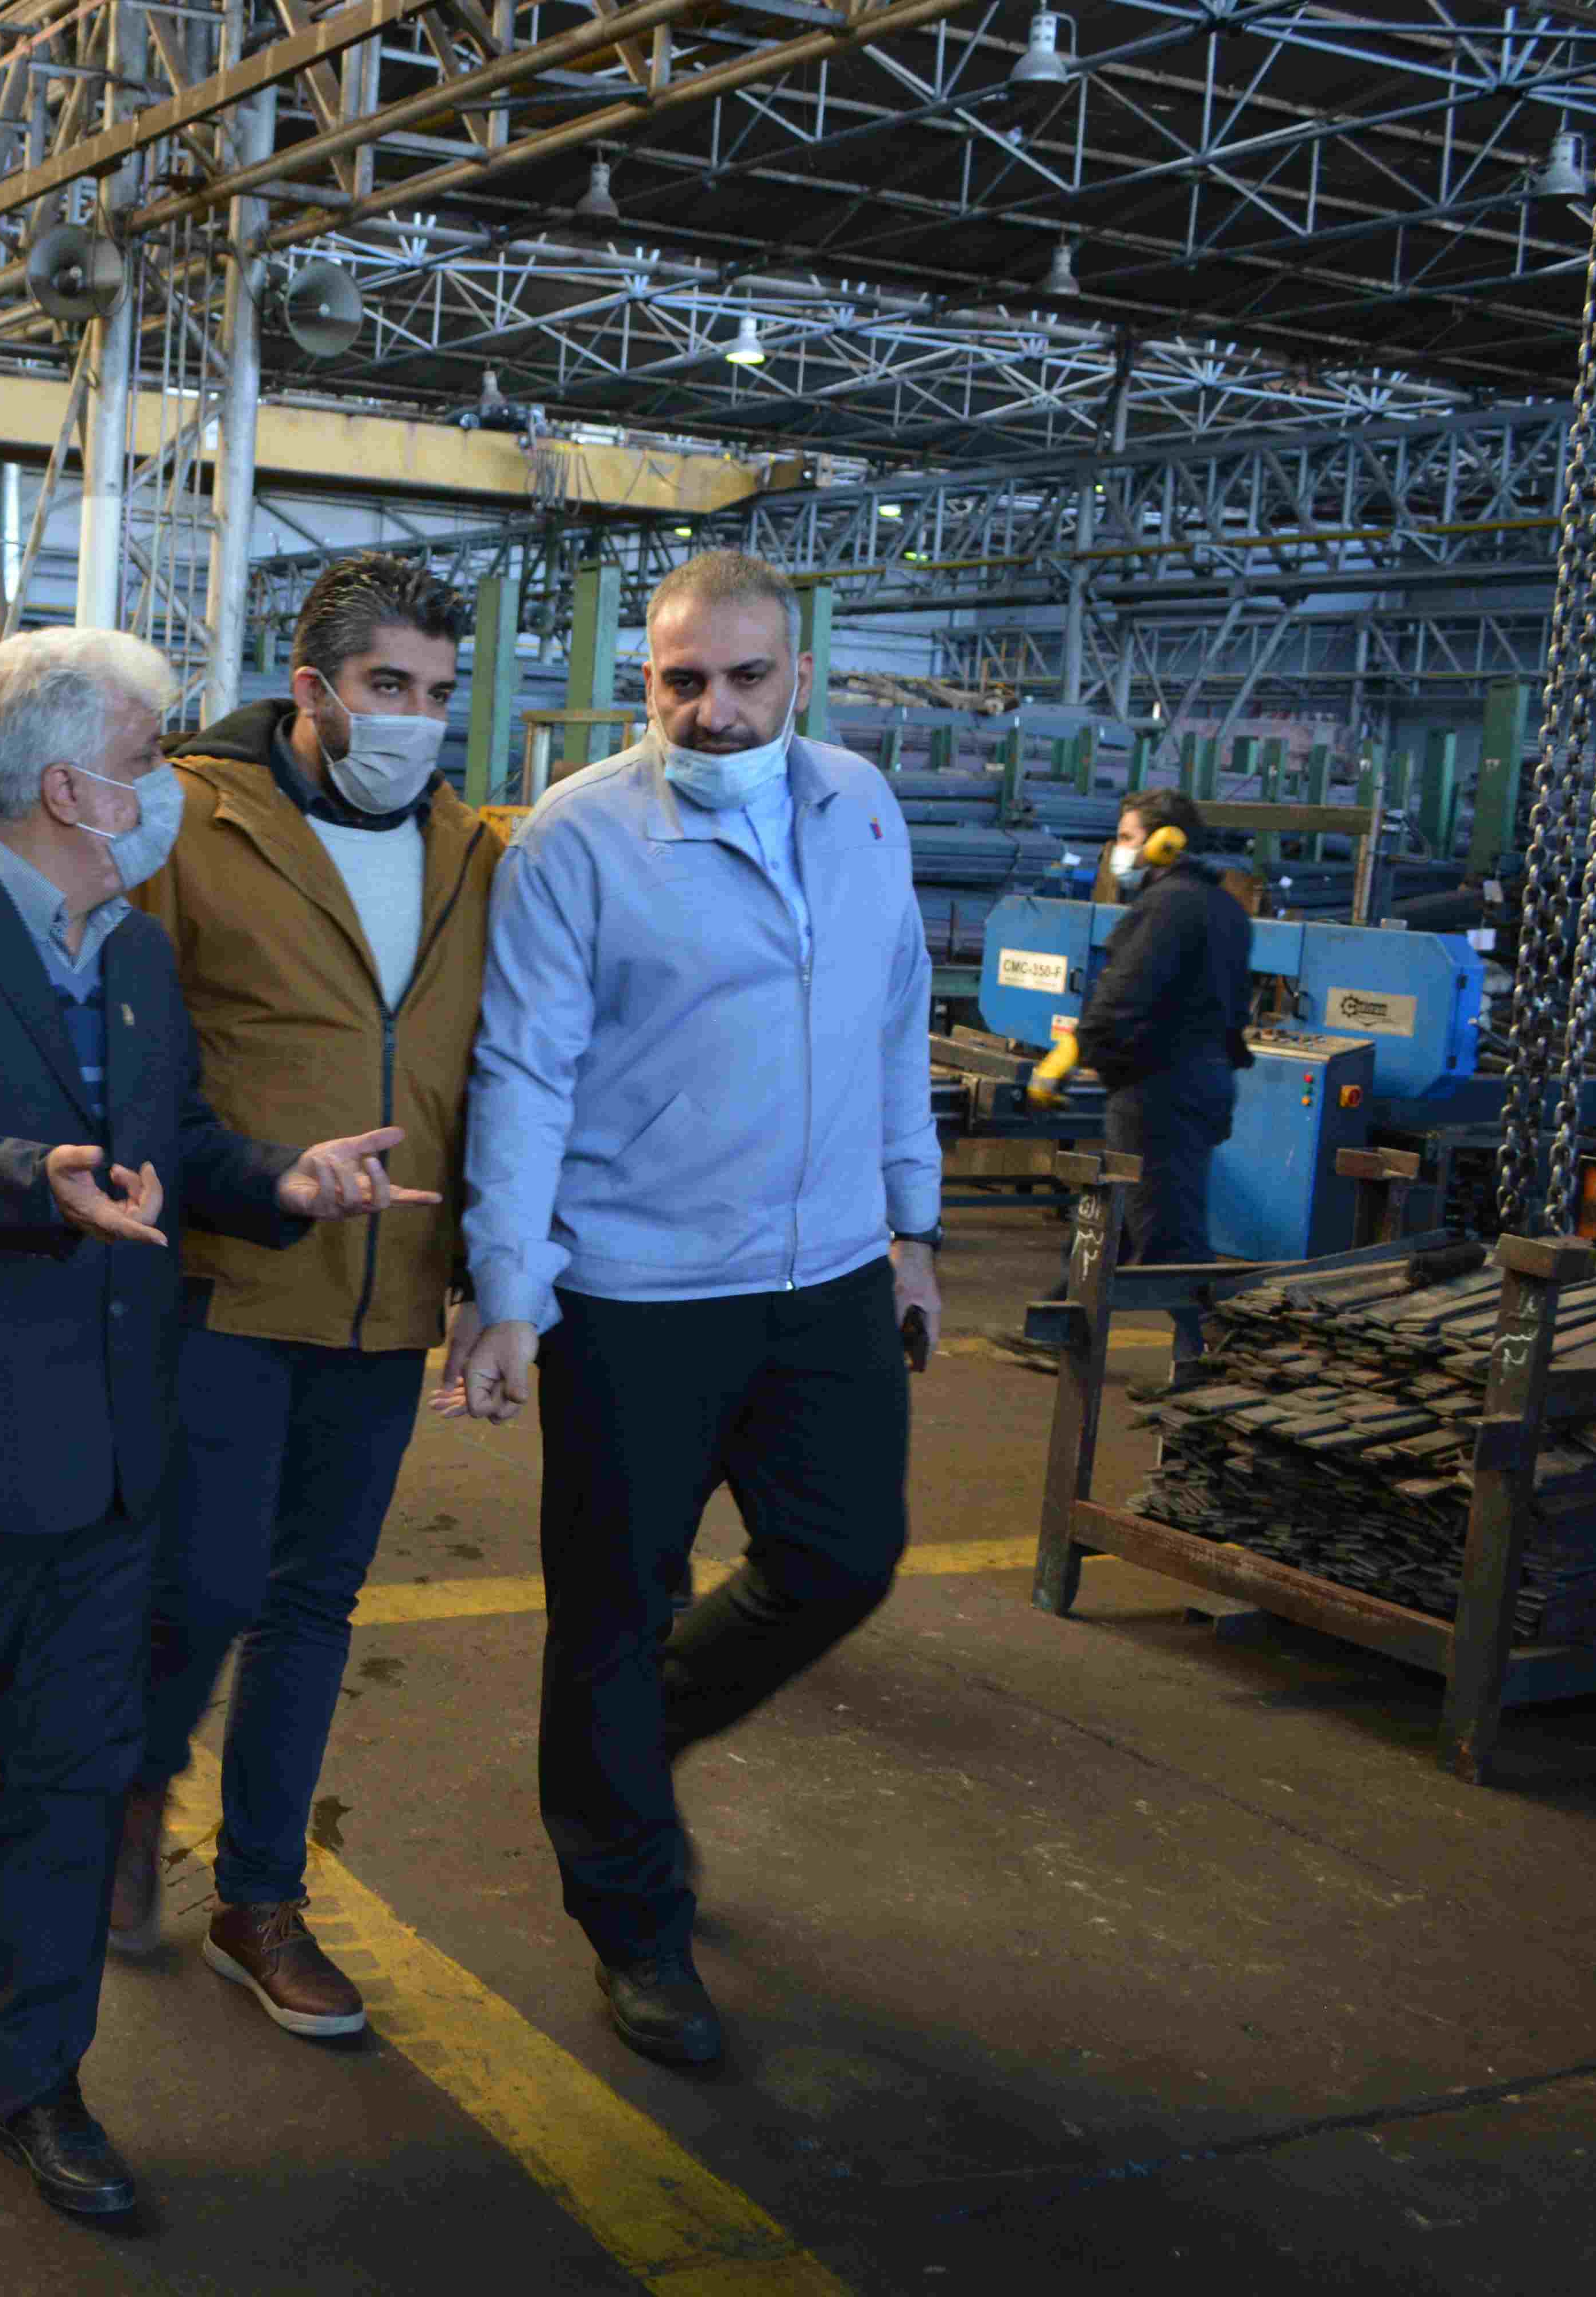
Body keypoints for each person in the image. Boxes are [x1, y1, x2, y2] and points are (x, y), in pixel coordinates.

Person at [0, 627, 431, 2222]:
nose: (169, 787)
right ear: (72, 786)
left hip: (111, 1451)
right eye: (148, 759)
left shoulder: (135, 954)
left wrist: (281, 1181)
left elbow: (176, 1141)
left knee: (74, 1777)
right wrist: (31, 1181)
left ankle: (36, 2082)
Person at [455, 547, 942, 2071]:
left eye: (744, 678)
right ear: (647, 680)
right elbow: (523, 1068)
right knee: (613, 1609)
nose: (713, 710)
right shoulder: (579, 835)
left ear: (799, 675)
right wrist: (510, 1288)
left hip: (830, 1273)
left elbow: (897, 1020)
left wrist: (913, 1225)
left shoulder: (862, 805)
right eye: (682, 682)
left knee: (842, 1557)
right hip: (639, 1292)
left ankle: (630, 1743)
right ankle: (634, 1921)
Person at [112, 552, 503, 2037]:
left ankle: (259, 1899)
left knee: (314, 1602)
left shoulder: (472, 852)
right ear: (313, 688)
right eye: (387, 686)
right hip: (225, 1276)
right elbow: (130, 1051)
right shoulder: (194, 826)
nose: (414, 718)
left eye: (437, 692)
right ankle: (130, 1790)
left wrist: (489, 1276)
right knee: (200, 1584)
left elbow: (496, 1073)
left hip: (385, 1296)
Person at [1043, 787, 1253, 1270]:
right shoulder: (1225, 908)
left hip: (1159, 1091)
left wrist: (1071, 1053)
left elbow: (1126, 992)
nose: (1117, 849)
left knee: (1166, 1236)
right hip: (1207, 1082)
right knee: (1113, 1225)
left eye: (1126, 837)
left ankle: (1196, 1316)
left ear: (1165, 842)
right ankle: (1067, 1306)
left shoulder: (1167, 906)